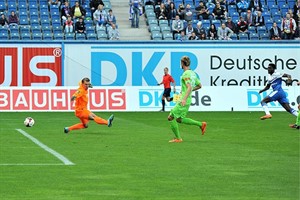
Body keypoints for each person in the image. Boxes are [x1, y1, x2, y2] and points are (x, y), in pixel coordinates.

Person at [167, 56, 207, 143]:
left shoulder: (186, 74)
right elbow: (199, 86)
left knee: (171, 117)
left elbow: (189, 87)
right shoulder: (193, 74)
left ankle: (178, 138)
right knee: (179, 119)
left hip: (184, 99)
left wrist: (184, 98)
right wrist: (186, 93)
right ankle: (201, 124)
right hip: (188, 99)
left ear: (182, 63)